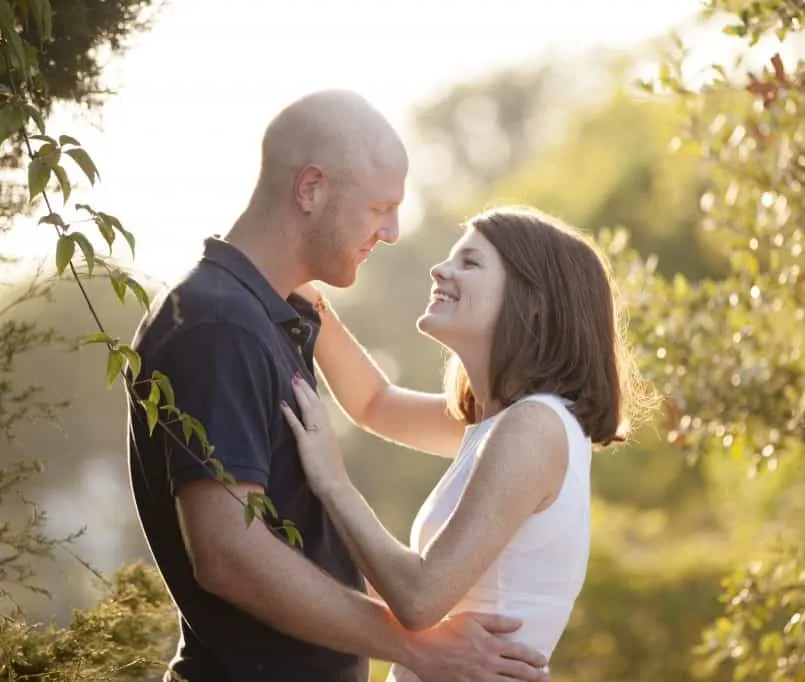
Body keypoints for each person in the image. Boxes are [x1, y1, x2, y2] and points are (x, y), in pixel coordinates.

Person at [127, 90, 550, 682]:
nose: (394, 231)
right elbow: (228, 556)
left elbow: (377, 402)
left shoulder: (262, 316)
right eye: (380, 207)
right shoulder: (218, 325)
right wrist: (416, 645)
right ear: (310, 189)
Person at [283, 206, 643, 681]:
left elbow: (418, 599)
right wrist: (306, 294)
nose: (440, 269)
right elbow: (374, 402)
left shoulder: (532, 429)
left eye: (470, 262)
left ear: (532, 300)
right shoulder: (503, 424)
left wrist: (332, 481)